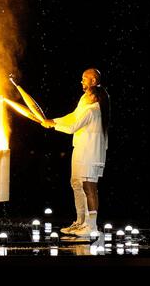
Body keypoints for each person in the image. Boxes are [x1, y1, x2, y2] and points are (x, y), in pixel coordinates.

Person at [42, 68, 110, 237]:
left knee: (89, 186)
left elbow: (73, 127)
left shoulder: (93, 109)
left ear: (93, 81)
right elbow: (73, 116)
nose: (81, 82)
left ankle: (91, 226)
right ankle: (81, 223)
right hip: (80, 149)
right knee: (76, 184)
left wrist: (53, 125)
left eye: (84, 79)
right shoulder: (84, 101)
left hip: (91, 151)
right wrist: (54, 120)